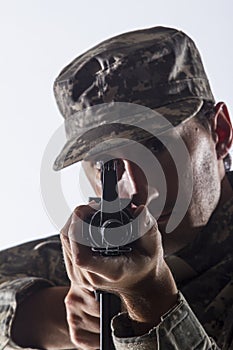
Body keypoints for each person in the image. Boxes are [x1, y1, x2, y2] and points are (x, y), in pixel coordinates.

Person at [0, 26, 233, 350]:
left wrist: (148, 301)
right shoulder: (89, 261)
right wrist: (49, 315)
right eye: (106, 166)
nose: (137, 189)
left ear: (219, 132)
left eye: (156, 148)